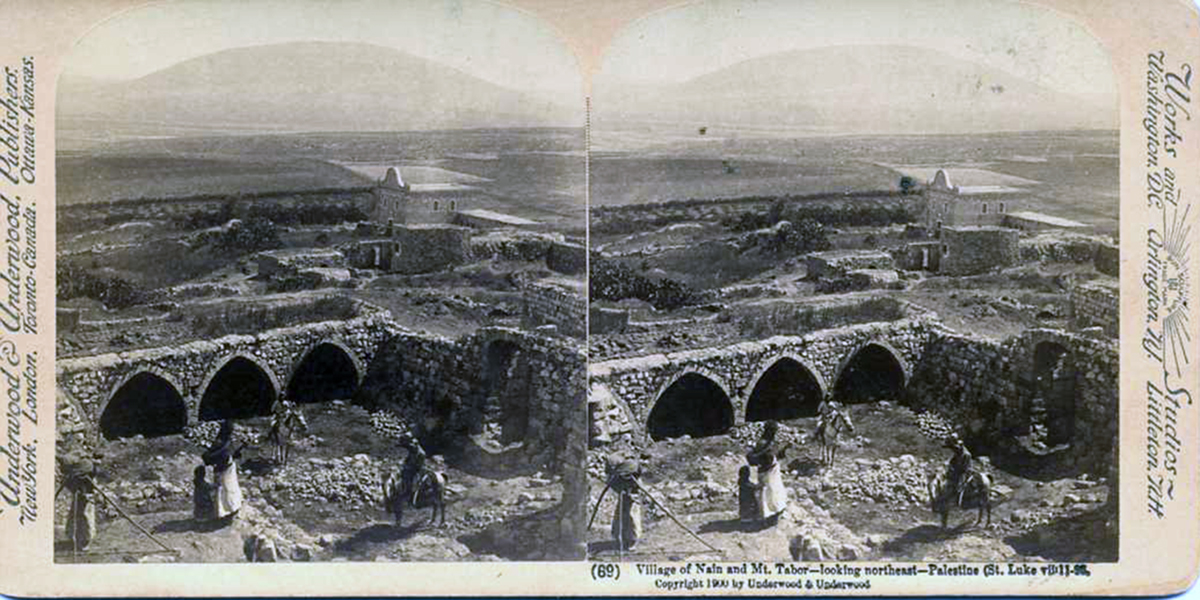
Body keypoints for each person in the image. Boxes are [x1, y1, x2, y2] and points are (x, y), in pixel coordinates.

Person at [746, 421, 788, 524]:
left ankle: (776, 510)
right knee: (768, 493)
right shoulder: (762, 443)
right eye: (773, 431)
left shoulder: (770, 442)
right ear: (769, 431)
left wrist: (785, 449)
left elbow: (774, 456)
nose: (775, 433)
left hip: (772, 470)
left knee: (775, 491)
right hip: (766, 471)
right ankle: (767, 516)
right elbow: (755, 458)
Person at [202, 420, 244, 524]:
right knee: (226, 489)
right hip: (224, 469)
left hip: (226, 467)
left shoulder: (222, 441)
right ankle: (227, 511)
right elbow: (212, 457)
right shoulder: (221, 442)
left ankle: (228, 510)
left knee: (228, 489)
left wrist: (236, 453)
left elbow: (228, 454)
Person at [62, 454, 100, 552]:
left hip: (87, 498)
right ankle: (74, 538)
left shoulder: (90, 474)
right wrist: (76, 491)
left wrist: (87, 494)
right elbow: (68, 485)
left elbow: (92, 488)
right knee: (74, 517)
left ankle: (85, 541)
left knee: (86, 517)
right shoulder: (72, 476)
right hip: (78, 497)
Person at [607, 458, 643, 551]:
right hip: (623, 499)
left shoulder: (635, 478)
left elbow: (638, 490)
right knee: (620, 517)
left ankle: (632, 540)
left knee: (632, 518)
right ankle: (620, 538)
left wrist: (631, 495)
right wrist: (621, 491)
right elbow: (613, 486)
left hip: (633, 500)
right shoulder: (617, 477)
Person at [399, 434, 428, 506]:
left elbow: (418, 464)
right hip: (411, 468)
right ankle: (402, 491)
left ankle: (410, 496)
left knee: (412, 482)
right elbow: (408, 459)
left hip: (418, 469)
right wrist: (405, 464)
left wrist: (409, 466)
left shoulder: (420, 453)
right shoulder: (412, 450)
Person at [944, 433, 974, 502]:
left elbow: (964, 468)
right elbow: (953, 460)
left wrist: (954, 470)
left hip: (964, 472)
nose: (953, 450)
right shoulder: (957, 452)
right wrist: (950, 465)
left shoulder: (966, 455)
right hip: (956, 470)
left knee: (959, 485)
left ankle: (958, 499)